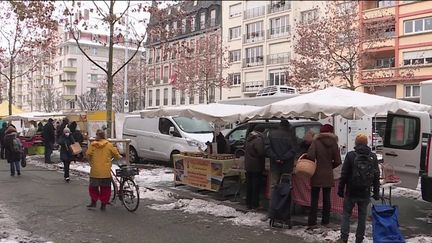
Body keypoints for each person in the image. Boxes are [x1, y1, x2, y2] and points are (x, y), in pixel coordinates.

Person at [338, 134, 380, 243]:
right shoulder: (373, 156)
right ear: (367, 143)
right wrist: (376, 192)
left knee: (346, 214)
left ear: (356, 143)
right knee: (362, 216)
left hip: (351, 190)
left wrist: (341, 189)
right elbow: (376, 176)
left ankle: (344, 238)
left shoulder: (351, 155)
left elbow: (344, 174)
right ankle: (359, 239)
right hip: (365, 191)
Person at [307, 124, 342, 227]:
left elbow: (310, 156)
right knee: (327, 199)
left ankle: (312, 221)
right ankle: (325, 221)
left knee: (314, 198)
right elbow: (338, 161)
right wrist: (329, 167)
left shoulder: (316, 142)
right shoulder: (334, 143)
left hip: (316, 173)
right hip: (328, 174)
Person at [264, 120, 297, 220]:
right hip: (287, 166)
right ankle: (284, 213)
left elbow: (267, 148)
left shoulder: (271, 134)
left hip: (275, 166)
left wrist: (276, 158)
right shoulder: (291, 135)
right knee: (286, 189)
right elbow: (294, 149)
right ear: (287, 126)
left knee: (274, 188)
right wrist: (284, 158)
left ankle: (272, 213)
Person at [86, 129, 122, 211]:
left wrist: (91, 162)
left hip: (95, 171)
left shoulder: (93, 145)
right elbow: (116, 155)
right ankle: (103, 204)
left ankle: (94, 202)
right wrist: (118, 156)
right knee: (105, 188)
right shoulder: (109, 145)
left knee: (93, 187)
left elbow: (88, 154)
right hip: (105, 172)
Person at [244, 125, 266, 210]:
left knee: (249, 184)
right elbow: (261, 152)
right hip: (256, 165)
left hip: (248, 164)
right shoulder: (258, 139)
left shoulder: (249, 138)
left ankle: (248, 202)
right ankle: (255, 204)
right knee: (256, 185)